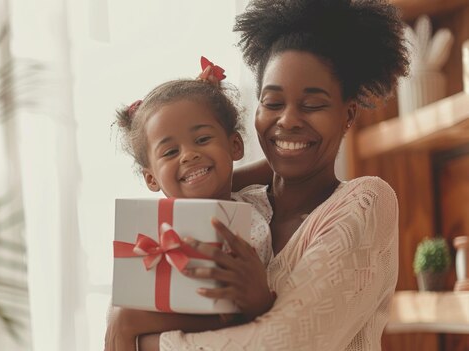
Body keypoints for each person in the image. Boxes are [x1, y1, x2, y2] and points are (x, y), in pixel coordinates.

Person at [108, 0, 409, 350]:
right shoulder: (217, 208)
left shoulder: (366, 201)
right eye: (273, 103)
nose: (289, 120)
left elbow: (281, 344)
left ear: (348, 115)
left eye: (313, 104)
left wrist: (136, 332)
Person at [107, 68, 276, 351]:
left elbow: (238, 316)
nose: (189, 155)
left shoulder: (253, 211)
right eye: (170, 152)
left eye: (201, 140)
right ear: (151, 178)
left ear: (235, 145)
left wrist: (132, 319)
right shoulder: (147, 230)